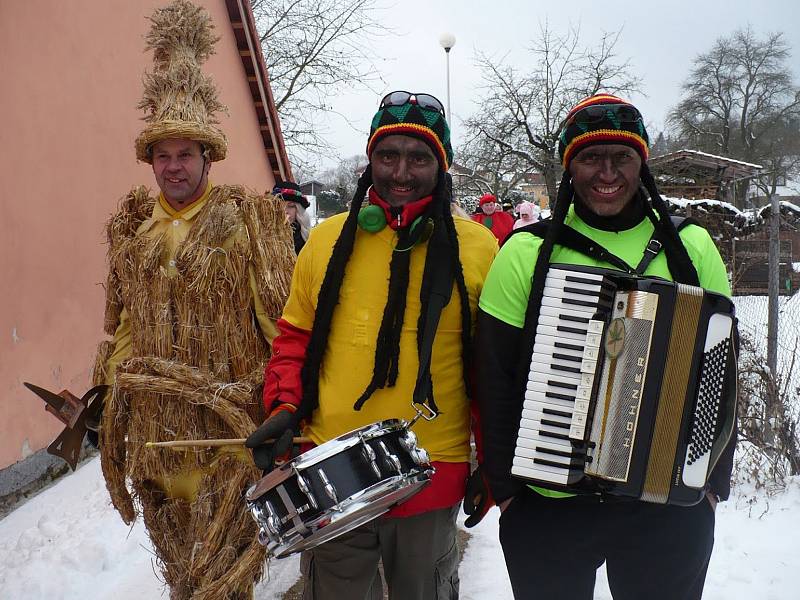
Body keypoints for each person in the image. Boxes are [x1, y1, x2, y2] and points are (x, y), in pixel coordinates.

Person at [476, 93, 735, 600]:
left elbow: (721, 372)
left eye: (623, 157)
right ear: (570, 166)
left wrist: (709, 486)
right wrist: (507, 495)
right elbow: (492, 377)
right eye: (591, 157)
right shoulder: (526, 253)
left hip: (666, 509)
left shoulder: (692, 246)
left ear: (643, 164)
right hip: (549, 504)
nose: (607, 172)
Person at [245, 90, 499, 599]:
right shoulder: (326, 241)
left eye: (419, 158)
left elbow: (486, 371)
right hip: (331, 475)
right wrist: (285, 406)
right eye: (388, 156)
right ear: (370, 160)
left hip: (432, 472)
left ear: (441, 167)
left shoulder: (478, 249)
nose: (401, 172)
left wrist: (489, 462)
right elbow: (294, 340)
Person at [92, 2, 295, 598]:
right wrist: (110, 395)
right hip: (157, 444)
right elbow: (125, 327)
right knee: (183, 580)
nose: (173, 166)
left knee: (223, 582)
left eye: (185, 154)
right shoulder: (132, 231)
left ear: (209, 157)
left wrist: (285, 411)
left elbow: (281, 325)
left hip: (231, 444)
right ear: (150, 161)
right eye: (163, 155)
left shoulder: (247, 222)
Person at [274, 180, 311, 254]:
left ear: (298, 209)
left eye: (291, 206)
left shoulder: (307, 238)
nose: (285, 211)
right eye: (279, 206)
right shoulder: (264, 237)